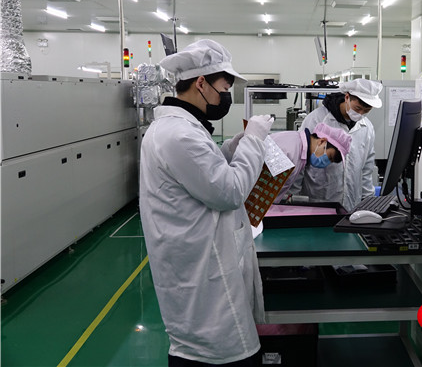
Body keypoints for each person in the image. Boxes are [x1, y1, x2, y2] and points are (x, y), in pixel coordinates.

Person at [139, 39, 274, 367]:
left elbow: (205, 171)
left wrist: (234, 147)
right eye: (225, 88)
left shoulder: (183, 129)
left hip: (201, 264)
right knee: (216, 351)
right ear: (201, 82)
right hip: (203, 277)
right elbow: (229, 191)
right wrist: (254, 141)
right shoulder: (179, 135)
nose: (226, 96)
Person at [289, 78, 383, 212]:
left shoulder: (367, 127)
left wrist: (368, 201)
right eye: (358, 108)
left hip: (352, 203)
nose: (360, 114)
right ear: (347, 97)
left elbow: (366, 169)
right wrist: (294, 201)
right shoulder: (316, 119)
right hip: (317, 201)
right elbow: (299, 161)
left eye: (366, 111)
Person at [270, 122, 352, 203]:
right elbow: (266, 189)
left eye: (331, 161)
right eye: (330, 157)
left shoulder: (298, 148)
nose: (327, 163)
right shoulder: (291, 151)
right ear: (322, 141)